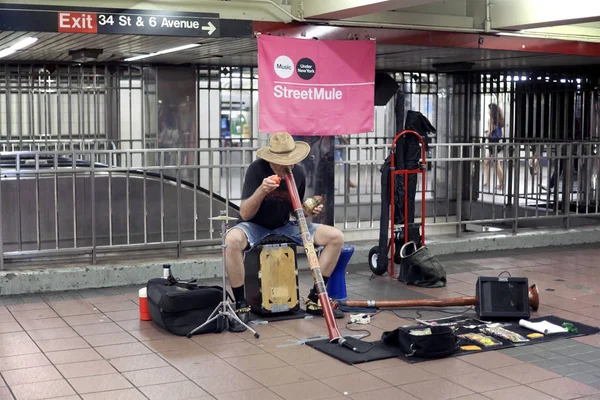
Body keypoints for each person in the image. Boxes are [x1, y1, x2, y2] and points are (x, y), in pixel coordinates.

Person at [224, 132, 346, 332]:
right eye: (283, 162)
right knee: (232, 241)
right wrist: (262, 191)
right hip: (254, 225)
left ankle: (316, 298)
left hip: (283, 225)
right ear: (272, 159)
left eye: (291, 160)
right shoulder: (257, 170)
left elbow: (293, 210)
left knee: (336, 237)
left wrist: (307, 211)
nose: (288, 166)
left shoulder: (297, 173)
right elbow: (245, 213)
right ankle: (240, 304)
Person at [483, 103, 505, 191]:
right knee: (486, 162)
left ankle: (501, 183)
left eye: (488, 109)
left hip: (493, 143)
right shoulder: (499, 119)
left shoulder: (491, 119)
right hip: (497, 142)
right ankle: (487, 182)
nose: (487, 111)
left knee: (496, 164)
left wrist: (485, 135)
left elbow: (489, 132)